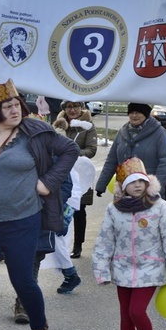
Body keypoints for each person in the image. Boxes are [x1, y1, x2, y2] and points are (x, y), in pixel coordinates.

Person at [0, 78, 78, 330]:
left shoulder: (36, 132)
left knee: (23, 281)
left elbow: (70, 152)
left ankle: (39, 329)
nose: (15, 110)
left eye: (17, 105)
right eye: (8, 106)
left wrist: (48, 182)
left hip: (24, 221)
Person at [92, 157, 166, 330]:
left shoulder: (158, 207)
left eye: (141, 181)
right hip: (122, 268)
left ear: (147, 183)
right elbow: (105, 241)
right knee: (125, 314)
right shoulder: (114, 210)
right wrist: (101, 270)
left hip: (150, 267)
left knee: (136, 311)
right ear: (123, 186)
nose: (138, 185)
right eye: (132, 182)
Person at [95, 103, 166, 202]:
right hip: (124, 192)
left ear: (146, 114)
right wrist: (102, 184)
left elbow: (165, 163)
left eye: (138, 112)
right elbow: (111, 160)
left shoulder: (159, 133)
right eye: (131, 112)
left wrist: (155, 188)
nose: (134, 115)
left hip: (149, 193)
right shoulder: (122, 132)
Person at [53, 100, 98, 259]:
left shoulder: (87, 126)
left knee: (79, 210)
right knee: (59, 208)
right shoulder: (59, 124)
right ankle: (59, 243)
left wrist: (73, 152)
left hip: (81, 173)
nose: (72, 110)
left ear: (81, 108)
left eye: (76, 106)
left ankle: (78, 244)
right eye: (68, 107)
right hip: (61, 172)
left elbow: (91, 150)